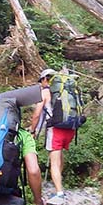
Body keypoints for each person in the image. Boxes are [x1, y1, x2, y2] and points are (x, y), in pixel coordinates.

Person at [29, 68, 74, 197]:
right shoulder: (64, 89)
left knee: (54, 162)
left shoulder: (46, 93)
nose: (40, 84)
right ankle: (58, 185)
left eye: (41, 81)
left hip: (56, 130)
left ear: (44, 79)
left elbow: (37, 114)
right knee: (59, 158)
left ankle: (59, 193)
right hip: (70, 129)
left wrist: (32, 131)